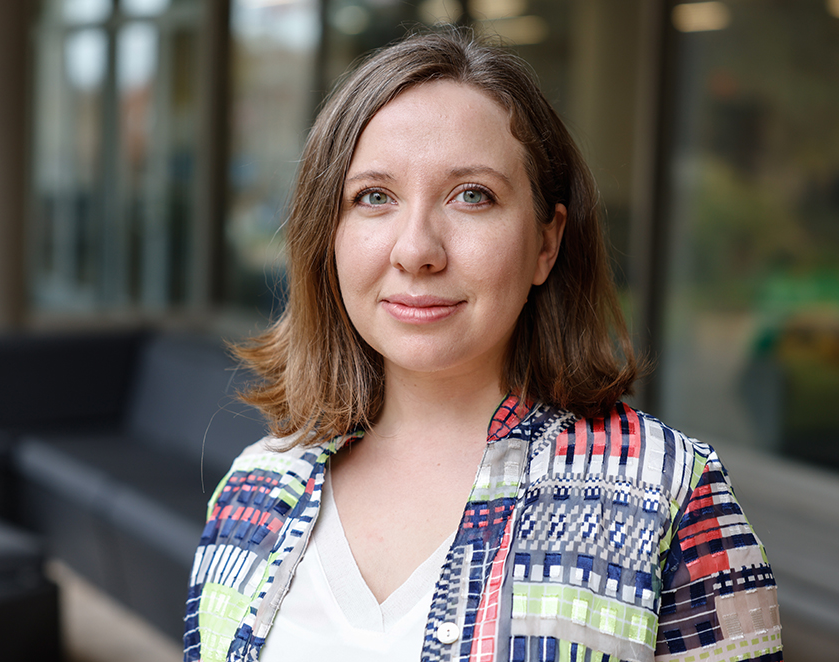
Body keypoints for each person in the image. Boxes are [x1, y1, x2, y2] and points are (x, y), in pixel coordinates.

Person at [183, 29, 782, 662]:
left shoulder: (668, 496)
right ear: (327, 234)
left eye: (472, 196)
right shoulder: (255, 487)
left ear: (546, 244)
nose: (416, 250)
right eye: (374, 197)